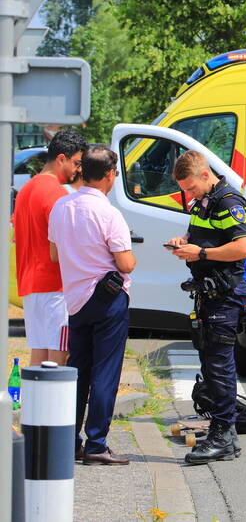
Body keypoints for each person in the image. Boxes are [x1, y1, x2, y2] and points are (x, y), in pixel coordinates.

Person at [48, 145, 135, 464]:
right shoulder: (109, 213)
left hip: (75, 301)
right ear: (111, 175)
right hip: (108, 300)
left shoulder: (61, 207)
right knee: (105, 373)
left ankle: (70, 440)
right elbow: (125, 264)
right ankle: (96, 443)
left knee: (77, 370)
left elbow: (55, 255)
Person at [167, 151, 246, 463]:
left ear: (205, 174)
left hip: (225, 292)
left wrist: (201, 254)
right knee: (210, 361)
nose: (189, 194)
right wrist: (183, 241)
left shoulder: (229, 201)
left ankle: (223, 433)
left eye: (190, 188)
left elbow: (243, 247)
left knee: (219, 363)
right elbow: (197, 234)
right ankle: (223, 430)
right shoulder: (203, 201)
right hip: (209, 292)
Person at [13, 128, 88, 366]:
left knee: (39, 354)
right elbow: (67, 243)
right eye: (76, 162)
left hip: (30, 284)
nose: (78, 170)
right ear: (61, 159)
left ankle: (34, 404)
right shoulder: (57, 195)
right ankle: (56, 405)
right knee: (59, 355)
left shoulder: (25, 190)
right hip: (55, 285)